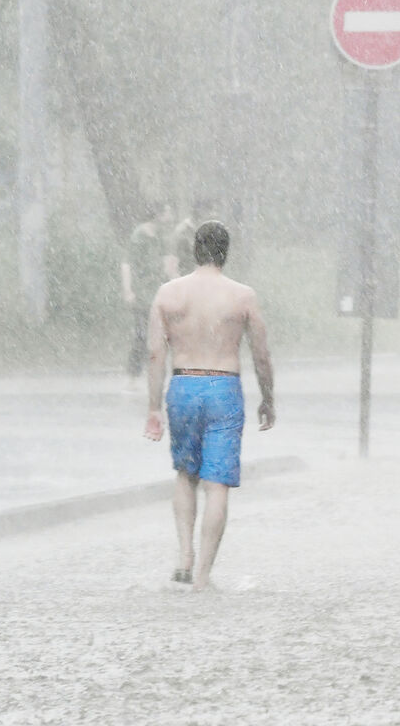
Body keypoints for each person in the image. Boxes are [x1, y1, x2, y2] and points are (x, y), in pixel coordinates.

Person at [142, 220, 275, 590]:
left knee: (185, 474)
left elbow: (155, 353)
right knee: (216, 484)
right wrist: (268, 398)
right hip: (223, 386)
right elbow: (261, 354)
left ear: (194, 250)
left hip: (183, 383)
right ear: (226, 252)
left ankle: (184, 557)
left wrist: (154, 406)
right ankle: (203, 576)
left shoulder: (168, 294)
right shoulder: (242, 296)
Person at [121, 202, 175, 389]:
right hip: (142, 294)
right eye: (168, 212)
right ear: (158, 214)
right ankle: (132, 376)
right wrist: (128, 289)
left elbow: (168, 264)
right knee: (142, 334)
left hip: (158, 293)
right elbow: (127, 264)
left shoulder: (161, 237)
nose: (170, 216)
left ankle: (159, 374)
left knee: (162, 335)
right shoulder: (139, 236)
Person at [165, 198, 215, 279]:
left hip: (201, 276)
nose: (211, 215)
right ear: (199, 212)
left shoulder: (206, 229)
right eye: (208, 211)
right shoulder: (183, 230)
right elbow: (174, 256)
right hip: (186, 276)